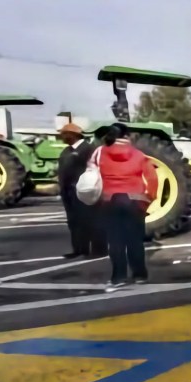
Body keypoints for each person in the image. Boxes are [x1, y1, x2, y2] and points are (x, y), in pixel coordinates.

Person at [96, 125, 157, 291]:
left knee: (115, 241)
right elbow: (152, 179)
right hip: (134, 201)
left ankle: (118, 277)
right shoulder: (138, 155)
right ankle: (140, 275)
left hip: (109, 201)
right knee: (135, 240)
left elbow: (90, 174)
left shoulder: (100, 152)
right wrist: (148, 200)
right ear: (127, 136)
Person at [57, 123, 105, 258]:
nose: (62, 136)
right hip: (69, 192)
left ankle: (99, 249)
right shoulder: (66, 151)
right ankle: (79, 248)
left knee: (91, 220)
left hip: (85, 191)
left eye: (64, 133)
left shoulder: (88, 149)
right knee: (74, 222)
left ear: (73, 135)